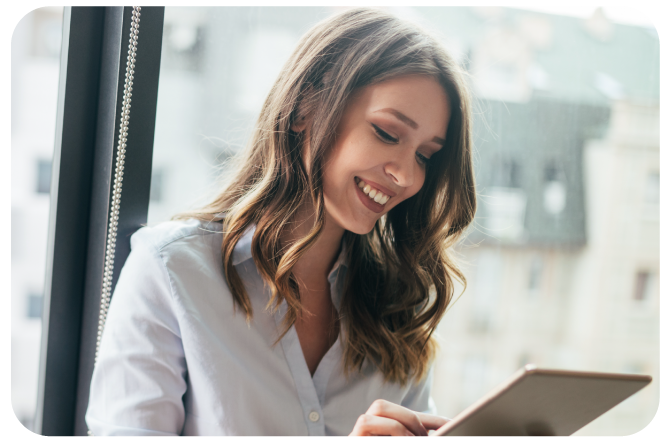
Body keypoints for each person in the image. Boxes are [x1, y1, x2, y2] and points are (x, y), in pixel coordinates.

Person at [86, 7, 476, 437]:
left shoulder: (399, 309)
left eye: (425, 156)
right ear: (305, 107)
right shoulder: (171, 270)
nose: (406, 175)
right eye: (387, 132)